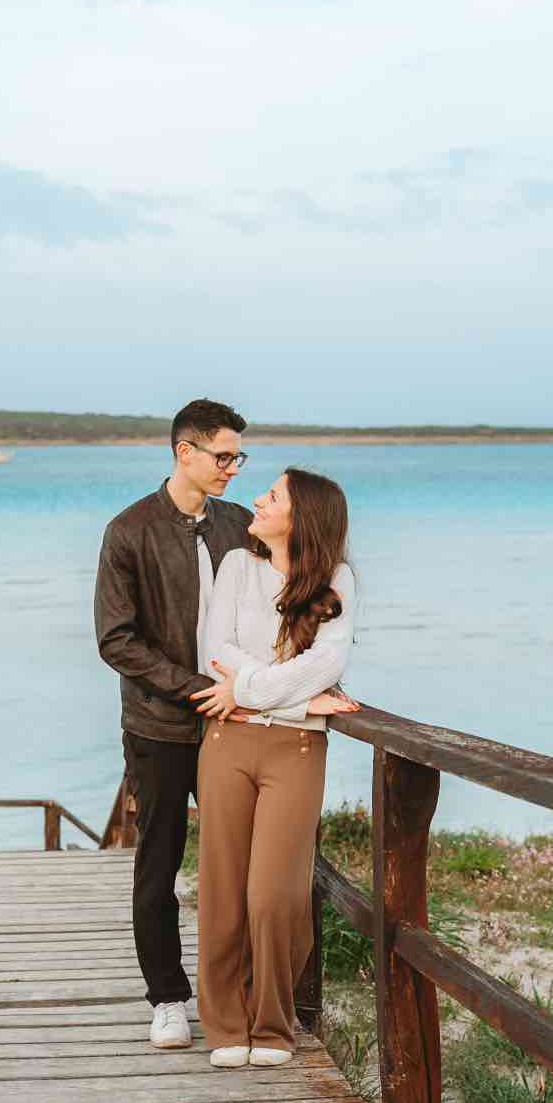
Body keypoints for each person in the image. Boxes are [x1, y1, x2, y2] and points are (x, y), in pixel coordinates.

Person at [94, 398, 254, 1049]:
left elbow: (281, 603)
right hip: (160, 728)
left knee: (239, 865)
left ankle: (238, 992)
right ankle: (167, 998)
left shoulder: (241, 524)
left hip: (235, 722)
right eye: (223, 456)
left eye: (239, 457)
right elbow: (116, 639)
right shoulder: (128, 531)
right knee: (158, 866)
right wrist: (198, 690)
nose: (233, 468)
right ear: (183, 452)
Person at [188, 467, 359, 1068]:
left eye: (273, 494)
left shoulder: (337, 581)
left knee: (275, 896)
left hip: (297, 750)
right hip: (228, 742)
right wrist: (292, 697)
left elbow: (326, 662)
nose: (256, 499)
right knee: (224, 892)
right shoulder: (236, 566)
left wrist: (251, 688)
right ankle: (225, 1023)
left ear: (303, 514)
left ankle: (274, 1022)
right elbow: (215, 651)